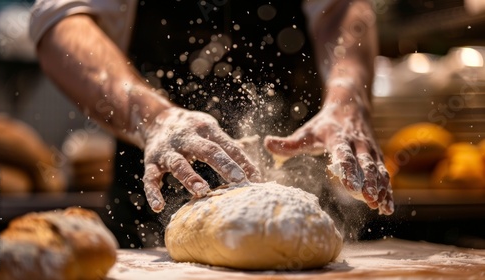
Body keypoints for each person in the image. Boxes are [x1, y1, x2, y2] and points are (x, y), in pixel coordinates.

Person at [30, 0, 394, 248]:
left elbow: (341, 8)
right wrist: (155, 118)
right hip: (148, 225)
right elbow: (62, 21)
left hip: (307, 215)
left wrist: (348, 98)